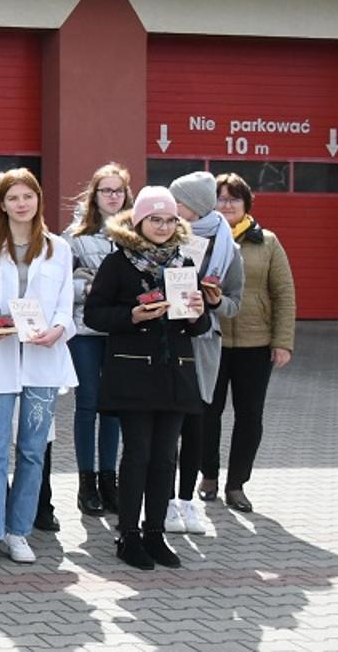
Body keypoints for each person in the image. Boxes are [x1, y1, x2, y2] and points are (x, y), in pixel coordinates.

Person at [0, 169, 77, 572]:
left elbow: (65, 305)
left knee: (32, 451)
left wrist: (59, 328)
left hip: (42, 361)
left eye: (28, 196)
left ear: (38, 200)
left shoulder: (58, 249)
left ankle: (18, 531)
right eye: (13, 197)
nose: (21, 204)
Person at [85, 187, 209, 569]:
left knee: (164, 458)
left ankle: (155, 533)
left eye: (170, 219)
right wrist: (132, 317)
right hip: (133, 373)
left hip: (175, 374)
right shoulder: (118, 263)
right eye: (155, 219)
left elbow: (200, 323)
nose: (163, 226)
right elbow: (94, 315)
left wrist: (196, 314)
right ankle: (128, 535)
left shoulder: (183, 262)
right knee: (137, 455)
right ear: (138, 220)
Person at [203, 174, 295, 513]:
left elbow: (284, 293)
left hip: (256, 345)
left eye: (234, 199)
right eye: (221, 198)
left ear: (246, 205)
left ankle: (237, 484)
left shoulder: (267, 242)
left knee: (250, 416)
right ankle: (208, 477)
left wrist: (283, 341)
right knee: (206, 414)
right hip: (211, 340)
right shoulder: (202, 238)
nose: (227, 204)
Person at [168, 171, 245, 535]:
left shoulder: (229, 248)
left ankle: (187, 501)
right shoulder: (164, 237)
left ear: (195, 207)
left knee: (195, 424)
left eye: (178, 203)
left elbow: (234, 303)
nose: (173, 209)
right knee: (164, 424)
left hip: (203, 344)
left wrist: (216, 301)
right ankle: (164, 501)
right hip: (167, 338)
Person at [64, 163, 131, 519]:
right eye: (105, 190)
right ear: (94, 194)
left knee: (114, 406)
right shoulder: (74, 235)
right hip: (86, 331)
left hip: (121, 330)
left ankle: (110, 479)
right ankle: (86, 483)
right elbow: (62, 285)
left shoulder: (134, 234)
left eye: (118, 190)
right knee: (88, 403)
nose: (112, 196)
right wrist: (88, 286)